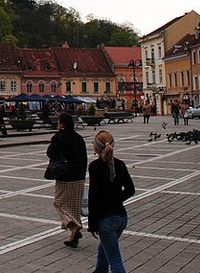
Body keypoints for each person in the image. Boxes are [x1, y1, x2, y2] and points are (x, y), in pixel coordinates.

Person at [88, 130, 135, 273]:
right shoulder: (120, 164)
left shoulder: (95, 167)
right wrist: (116, 199)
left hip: (106, 220)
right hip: (121, 217)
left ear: (96, 148)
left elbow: (93, 197)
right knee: (104, 250)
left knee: (115, 259)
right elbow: (130, 189)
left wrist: (92, 224)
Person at [47, 112, 88, 248]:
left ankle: (75, 227)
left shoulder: (59, 137)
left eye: (59, 122)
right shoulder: (79, 138)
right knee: (74, 207)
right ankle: (73, 237)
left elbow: (50, 153)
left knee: (59, 203)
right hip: (79, 176)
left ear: (62, 124)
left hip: (65, 176)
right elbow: (84, 157)